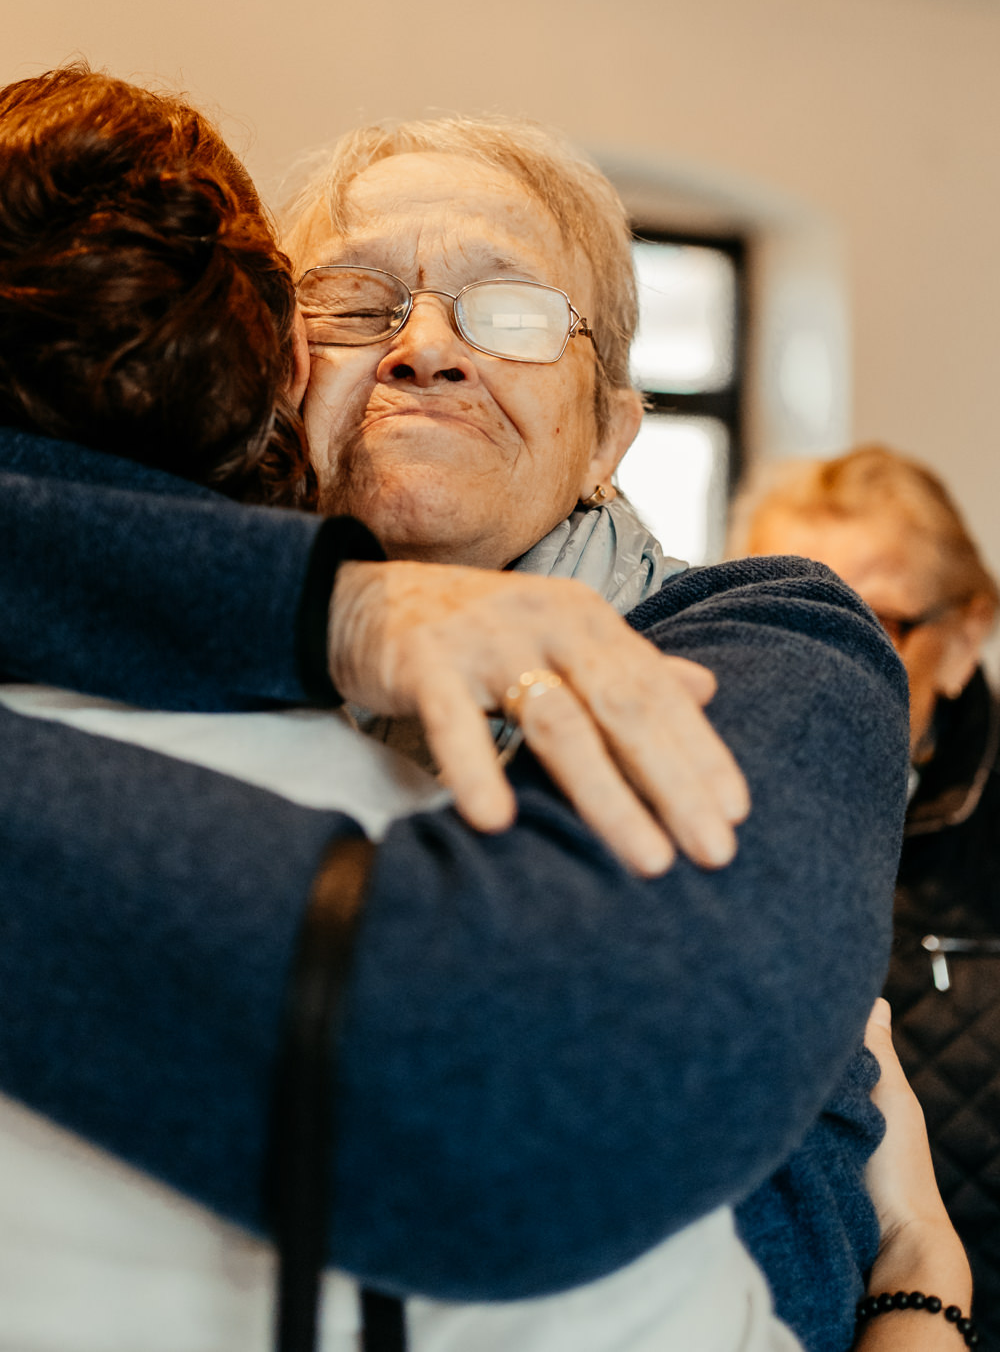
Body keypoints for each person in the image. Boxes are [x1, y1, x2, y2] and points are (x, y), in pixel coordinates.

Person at [0, 73, 931, 1349]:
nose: (424, 345)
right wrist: (321, 610)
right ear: (270, 374)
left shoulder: (771, 643)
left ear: (610, 434)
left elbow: (583, 1109)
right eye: (352, 301)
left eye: (512, 311)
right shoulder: (147, 651)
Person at [744, 445, 1000, 1346]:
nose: (827, 660)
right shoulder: (702, 815)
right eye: (791, 615)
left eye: (876, 622)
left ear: (964, 638)